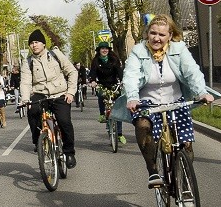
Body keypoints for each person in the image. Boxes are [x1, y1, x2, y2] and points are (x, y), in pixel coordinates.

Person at [122, 14, 214, 188]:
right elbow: (131, 75)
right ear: (147, 33)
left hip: (175, 101)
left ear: (170, 36)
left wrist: (201, 92)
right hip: (147, 102)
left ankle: (185, 184)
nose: (157, 38)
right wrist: (133, 97)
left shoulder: (179, 49)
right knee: (142, 126)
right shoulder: (138, 51)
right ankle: (153, 170)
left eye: (162, 35)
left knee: (186, 145)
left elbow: (191, 72)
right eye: (153, 33)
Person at [20, 29, 78, 168]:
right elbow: (26, 82)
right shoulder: (28, 62)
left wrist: (70, 92)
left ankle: (69, 153)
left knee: (64, 122)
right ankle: (37, 141)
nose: (34, 45)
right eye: (31, 43)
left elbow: (72, 72)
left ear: (44, 44)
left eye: (37, 42)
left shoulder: (56, 54)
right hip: (40, 94)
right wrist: (25, 99)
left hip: (60, 93)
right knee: (32, 111)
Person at [89, 41, 126, 145]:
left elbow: (119, 71)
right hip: (102, 85)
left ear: (109, 50)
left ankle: (119, 134)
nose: (104, 50)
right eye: (102, 49)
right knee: (101, 95)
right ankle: (102, 114)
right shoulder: (96, 61)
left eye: (106, 48)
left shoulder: (114, 59)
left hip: (114, 85)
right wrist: (93, 81)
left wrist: (123, 81)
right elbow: (92, 72)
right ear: (99, 51)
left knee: (117, 110)